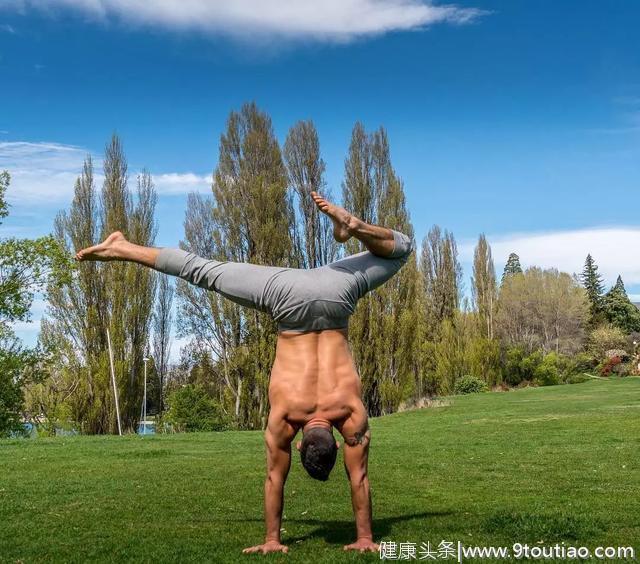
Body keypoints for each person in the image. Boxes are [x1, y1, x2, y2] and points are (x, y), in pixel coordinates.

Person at [76, 191, 413, 554]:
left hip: (335, 295)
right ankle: (122, 249)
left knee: (402, 249)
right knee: (203, 272)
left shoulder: (350, 414)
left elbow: (358, 479)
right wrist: (273, 540)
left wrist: (365, 538)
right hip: (287, 303)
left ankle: (358, 228)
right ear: (299, 444)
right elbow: (277, 478)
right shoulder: (287, 418)